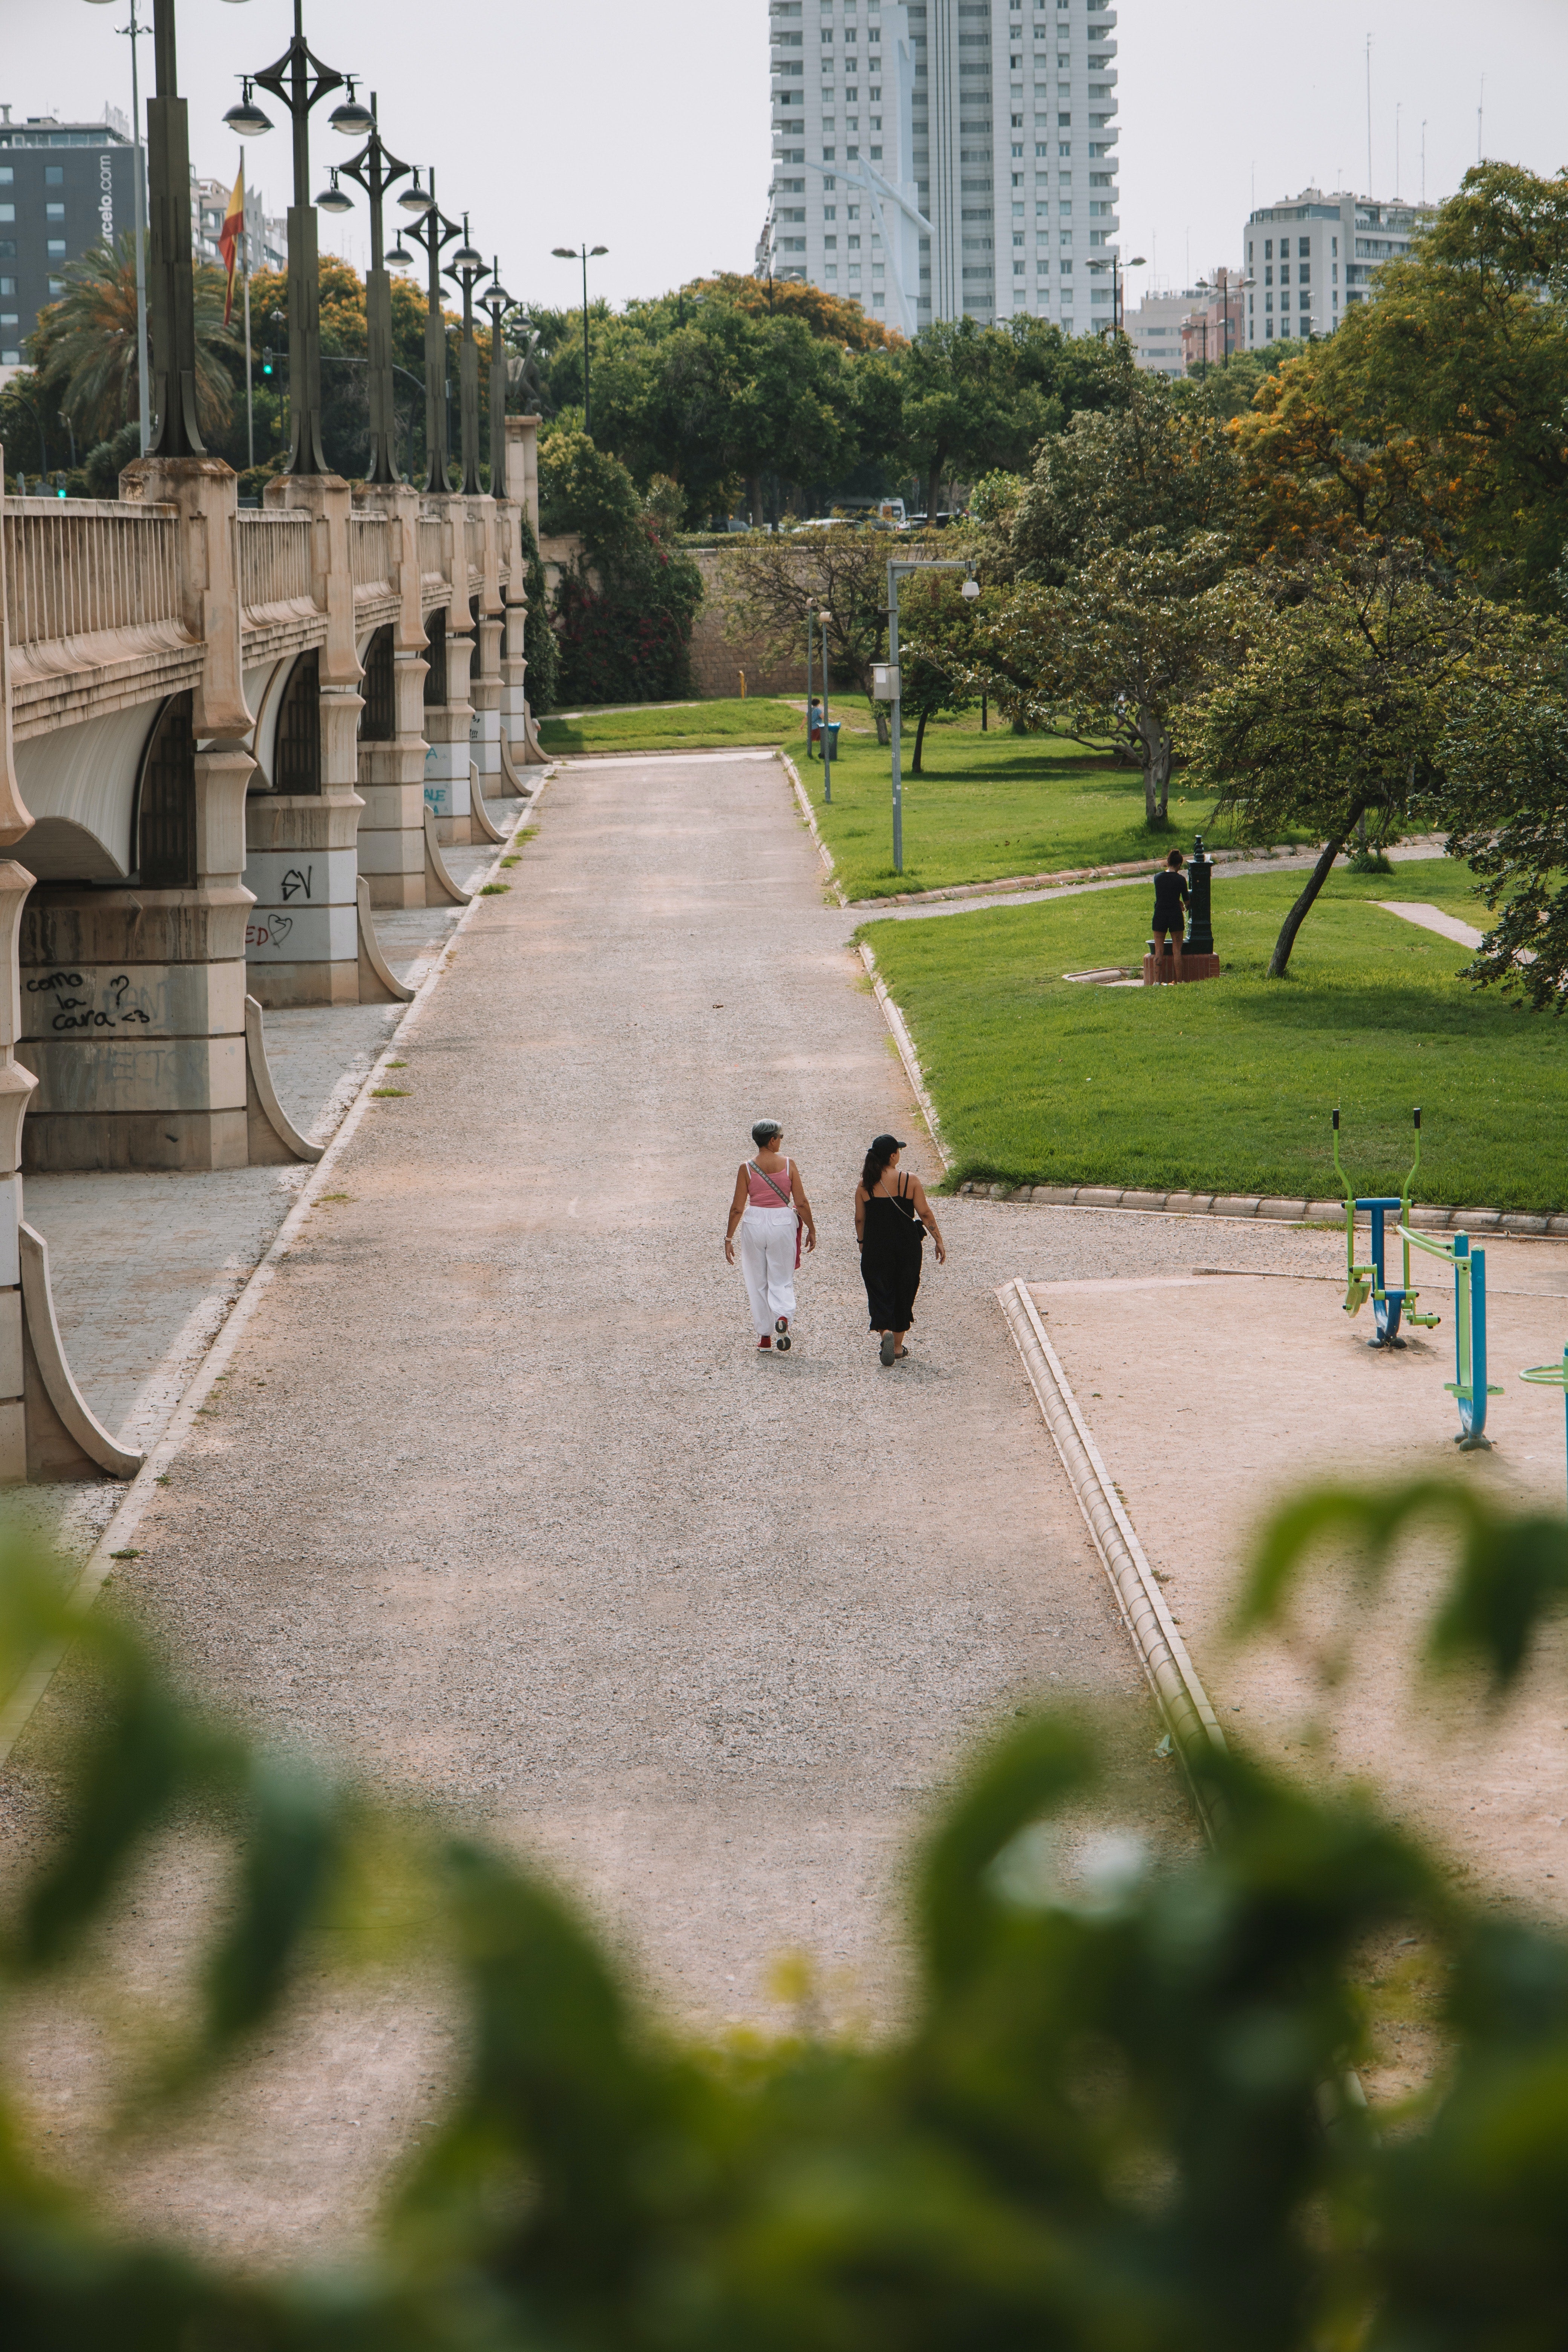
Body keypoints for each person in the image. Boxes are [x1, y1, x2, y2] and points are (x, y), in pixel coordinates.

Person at [724, 1119, 817, 1352]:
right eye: (781, 1137)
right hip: (782, 1222)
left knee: (757, 1281)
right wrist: (811, 1228)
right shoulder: (788, 1165)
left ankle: (765, 1337)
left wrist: (728, 1239)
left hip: (754, 1222)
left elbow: (737, 1207)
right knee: (782, 1277)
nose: (781, 1141)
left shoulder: (746, 1168)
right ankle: (783, 1317)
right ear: (772, 1140)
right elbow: (802, 1202)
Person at [854, 1135, 946, 1366]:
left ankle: (884, 1329)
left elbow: (859, 1219)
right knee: (904, 1290)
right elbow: (925, 1214)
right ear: (893, 1156)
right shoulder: (910, 1180)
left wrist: (862, 1242)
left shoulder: (865, 1185)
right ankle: (896, 1347)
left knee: (879, 1290)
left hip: (876, 1246)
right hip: (907, 1246)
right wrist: (939, 1240)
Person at [1152, 849, 1188, 968]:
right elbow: (1187, 902)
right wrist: (1182, 904)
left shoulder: (1157, 878)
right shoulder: (1181, 880)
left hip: (1160, 915)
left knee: (1159, 951)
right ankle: (1179, 981)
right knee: (1177, 951)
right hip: (1175, 915)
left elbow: (1164, 895)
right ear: (1179, 865)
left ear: (1168, 862)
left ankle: (1157, 982)